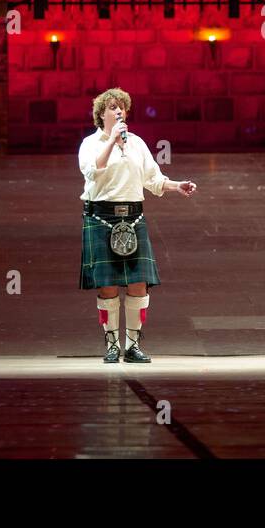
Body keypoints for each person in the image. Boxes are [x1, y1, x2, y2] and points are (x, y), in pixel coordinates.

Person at [79, 87, 197, 363]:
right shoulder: (90, 144)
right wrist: (112, 140)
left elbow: (152, 179)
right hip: (101, 217)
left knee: (138, 284)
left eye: (122, 107)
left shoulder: (137, 143)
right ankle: (111, 345)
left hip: (133, 217)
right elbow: (93, 170)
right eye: (113, 108)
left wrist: (176, 185)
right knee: (107, 286)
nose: (119, 111)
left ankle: (132, 345)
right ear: (101, 114)